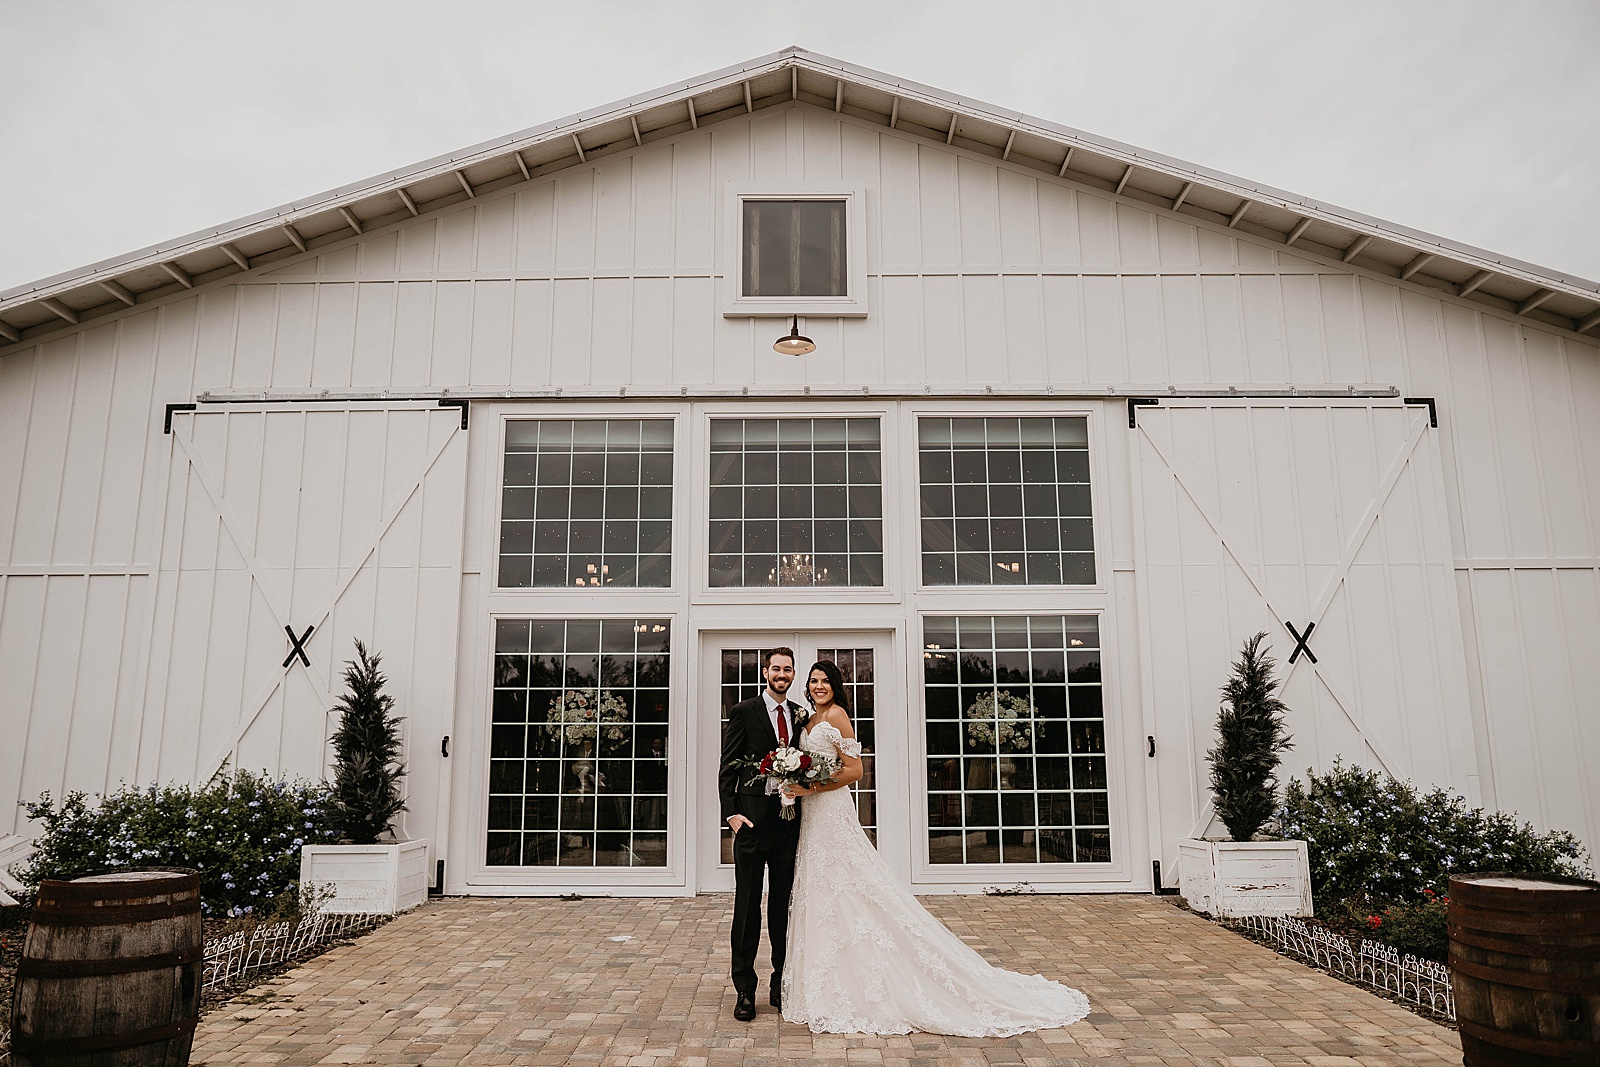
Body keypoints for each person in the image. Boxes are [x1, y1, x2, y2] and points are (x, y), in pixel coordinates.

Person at [779, 660, 1091, 1036]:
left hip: (830, 811)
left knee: (846, 883)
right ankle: (826, 979)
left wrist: (810, 787)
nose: (818, 686)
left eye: (825, 681)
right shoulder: (808, 720)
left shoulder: (839, 716)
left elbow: (855, 771)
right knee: (822, 887)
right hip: (813, 817)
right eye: (813, 681)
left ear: (836, 685)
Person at [718, 647, 805, 1021]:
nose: (781, 674)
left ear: (792, 674)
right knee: (747, 906)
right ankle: (744, 990)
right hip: (752, 824)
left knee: (782, 907)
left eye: (787, 669)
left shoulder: (800, 715)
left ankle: (779, 983)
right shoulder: (744, 711)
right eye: (776, 668)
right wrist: (732, 814)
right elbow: (728, 766)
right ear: (765, 672)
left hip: (788, 825)